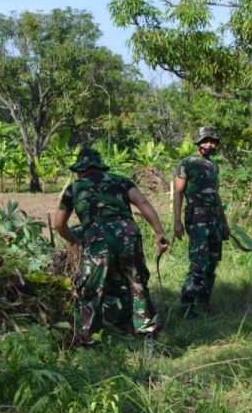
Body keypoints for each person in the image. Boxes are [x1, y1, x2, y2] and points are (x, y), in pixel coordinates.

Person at [53, 148, 169, 345]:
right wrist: (159, 233)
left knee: (92, 288)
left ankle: (89, 338)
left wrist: (75, 241)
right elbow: (142, 202)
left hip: (99, 238)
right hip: (128, 234)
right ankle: (146, 332)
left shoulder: (74, 188)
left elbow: (59, 224)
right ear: (100, 166)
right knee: (136, 282)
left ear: (80, 170)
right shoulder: (121, 181)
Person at [173, 126, 230, 318]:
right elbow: (178, 192)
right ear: (198, 142)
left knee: (212, 263)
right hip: (197, 218)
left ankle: (204, 303)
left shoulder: (214, 166)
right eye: (206, 141)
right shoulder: (187, 163)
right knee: (198, 263)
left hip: (215, 219)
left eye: (212, 141)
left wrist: (224, 222)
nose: (209, 145)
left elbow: (216, 195)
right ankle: (187, 307)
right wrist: (177, 222)